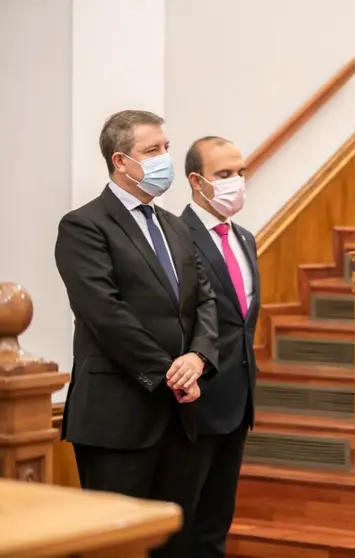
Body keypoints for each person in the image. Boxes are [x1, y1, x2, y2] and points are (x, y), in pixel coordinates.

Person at [54, 110, 219, 558]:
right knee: (116, 546)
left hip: (181, 417)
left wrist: (199, 359)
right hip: (118, 417)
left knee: (176, 544)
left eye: (166, 147)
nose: (165, 157)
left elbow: (205, 300)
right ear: (121, 161)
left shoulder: (176, 226)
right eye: (153, 151)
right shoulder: (84, 226)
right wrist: (169, 371)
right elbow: (105, 313)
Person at [179, 136, 259, 557]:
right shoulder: (176, 235)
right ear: (197, 181)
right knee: (183, 530)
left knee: (215, 528)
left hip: (238, 402)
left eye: (240, 173)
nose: (236, 182)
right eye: (224, 175)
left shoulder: (245, 237)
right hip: (195, 403)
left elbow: (242, 323)